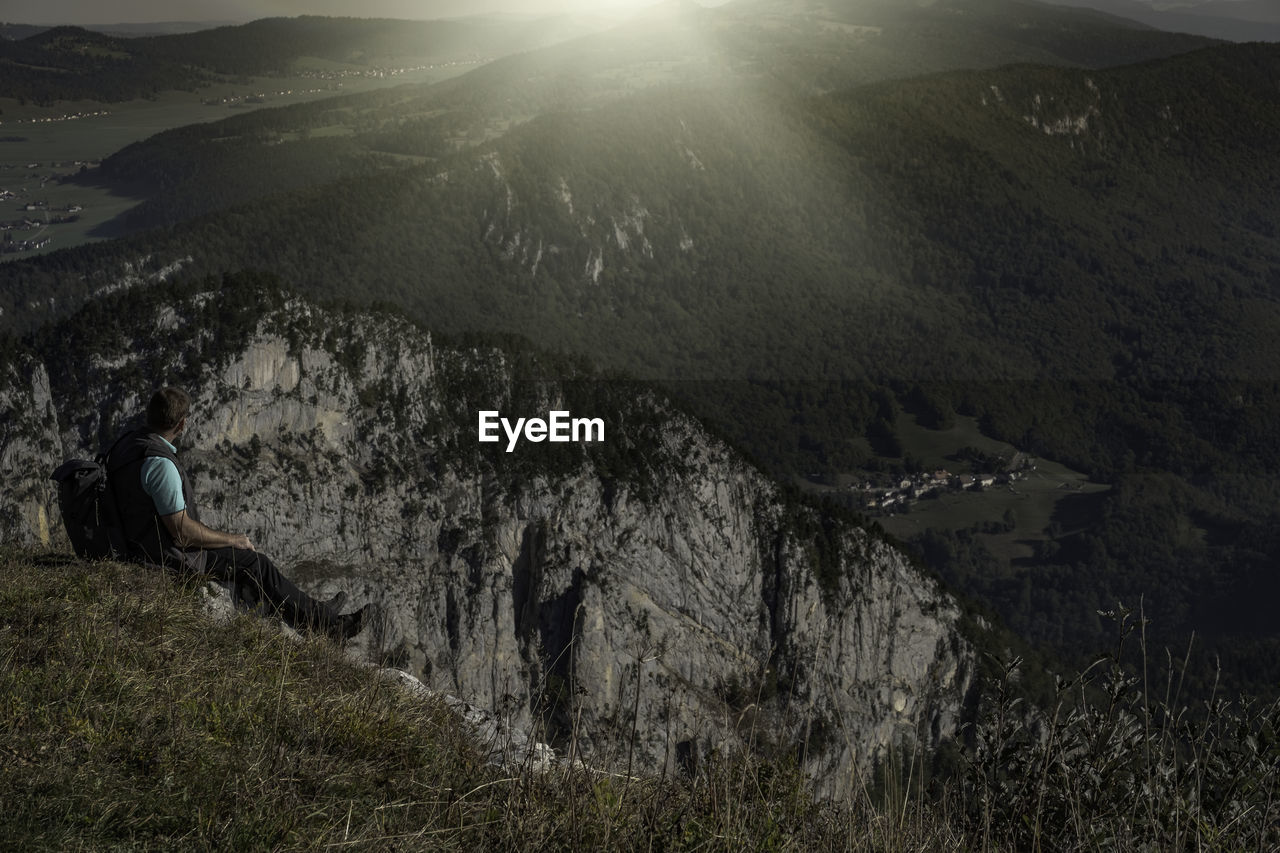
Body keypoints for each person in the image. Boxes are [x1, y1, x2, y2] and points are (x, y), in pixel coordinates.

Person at [107, 386, 368, 640]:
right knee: (256, 563)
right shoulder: (160, 464)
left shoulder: (127, 445)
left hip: (134, 543)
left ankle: (316, 615)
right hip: (164, 557)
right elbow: (182, 533)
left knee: (249, 566)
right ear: (182, 425)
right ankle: (327, 625)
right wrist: (233, 540)